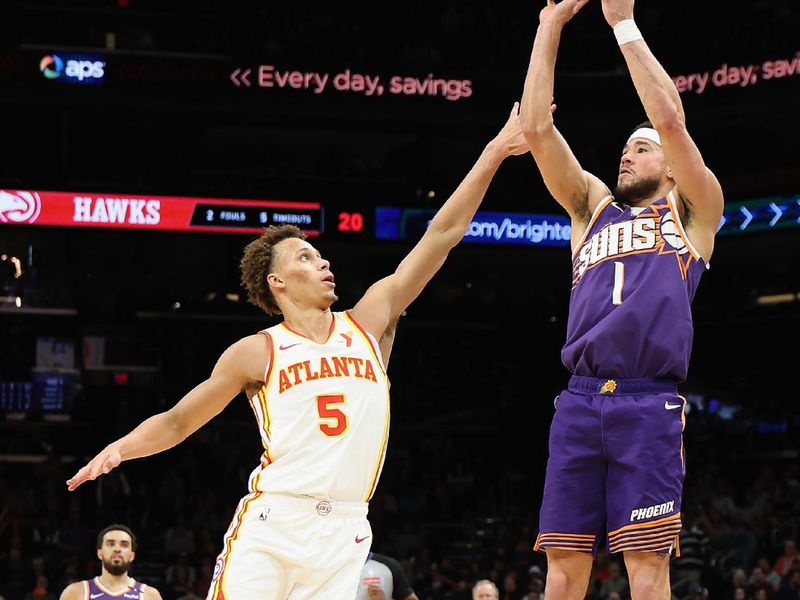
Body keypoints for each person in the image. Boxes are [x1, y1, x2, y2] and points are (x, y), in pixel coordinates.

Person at [65, 104, 530, 599]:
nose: (323, 259)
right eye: (306, 256)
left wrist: (496, 151)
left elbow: (442, 235)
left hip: (346, 528)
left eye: (320, 254)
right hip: (274, 519)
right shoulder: (257, 351)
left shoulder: (370, 320)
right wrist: (120, 448)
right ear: (278, 281)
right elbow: (179, 421)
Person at [519, 0, 724, 599]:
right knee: (560, 568)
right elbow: (536, 129)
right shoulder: (590, 208)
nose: (626, 156)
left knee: (647, 569)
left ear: (667, 162)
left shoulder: (692, 210)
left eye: (640, 149)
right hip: (579, 401)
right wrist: (548, 27)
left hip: (648, 402)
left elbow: (671, 121)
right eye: (625, 150)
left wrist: (622, 25)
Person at [59, 524, 162, 600]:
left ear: (132, 556)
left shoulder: (149, 595)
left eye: (124, 545)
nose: (117, 549)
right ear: (100, 553)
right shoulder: (76, 592)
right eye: (111, 544)